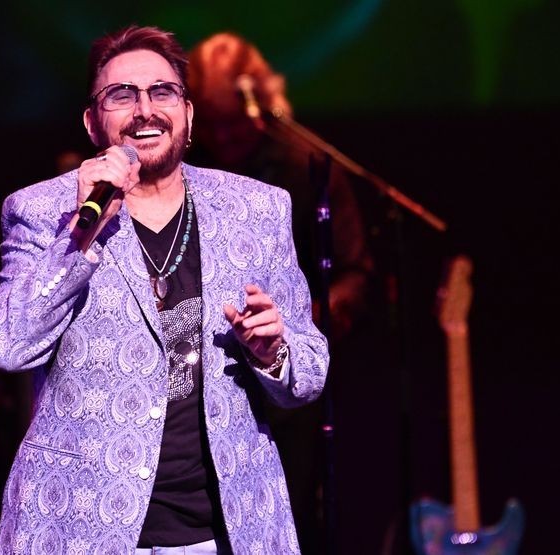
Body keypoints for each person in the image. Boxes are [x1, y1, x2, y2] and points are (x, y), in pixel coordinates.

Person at [0, 25, 329, 554]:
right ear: (92, 122)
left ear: (187, 114)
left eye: (162, 92)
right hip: (82, 528)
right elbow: (5, 345)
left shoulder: (257, 210)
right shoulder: (43, 211)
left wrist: (273, 351)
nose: (145, 110)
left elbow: (310, 372)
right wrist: (80, 239)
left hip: (225, 530)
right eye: (122, 95)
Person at [187, 32, 371, 553]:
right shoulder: (187, 172)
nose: (224, 136)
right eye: (212, 124)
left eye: (233, 122)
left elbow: (354, 273)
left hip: (287, 388)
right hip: (204, 379)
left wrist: (293, 329)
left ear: (261, 104)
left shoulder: (305, 167)